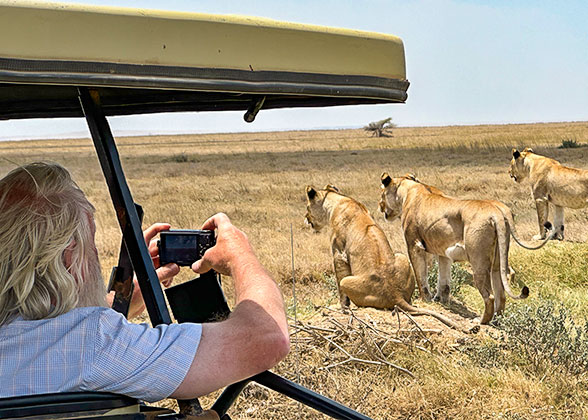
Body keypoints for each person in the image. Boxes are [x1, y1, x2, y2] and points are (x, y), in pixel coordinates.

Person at [0, 162, 289, 402]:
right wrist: (241, 256)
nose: (96, 256)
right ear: (69, 258)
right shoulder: (93, 343)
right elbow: (266, 338)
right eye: (91, 247)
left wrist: (124, 299)